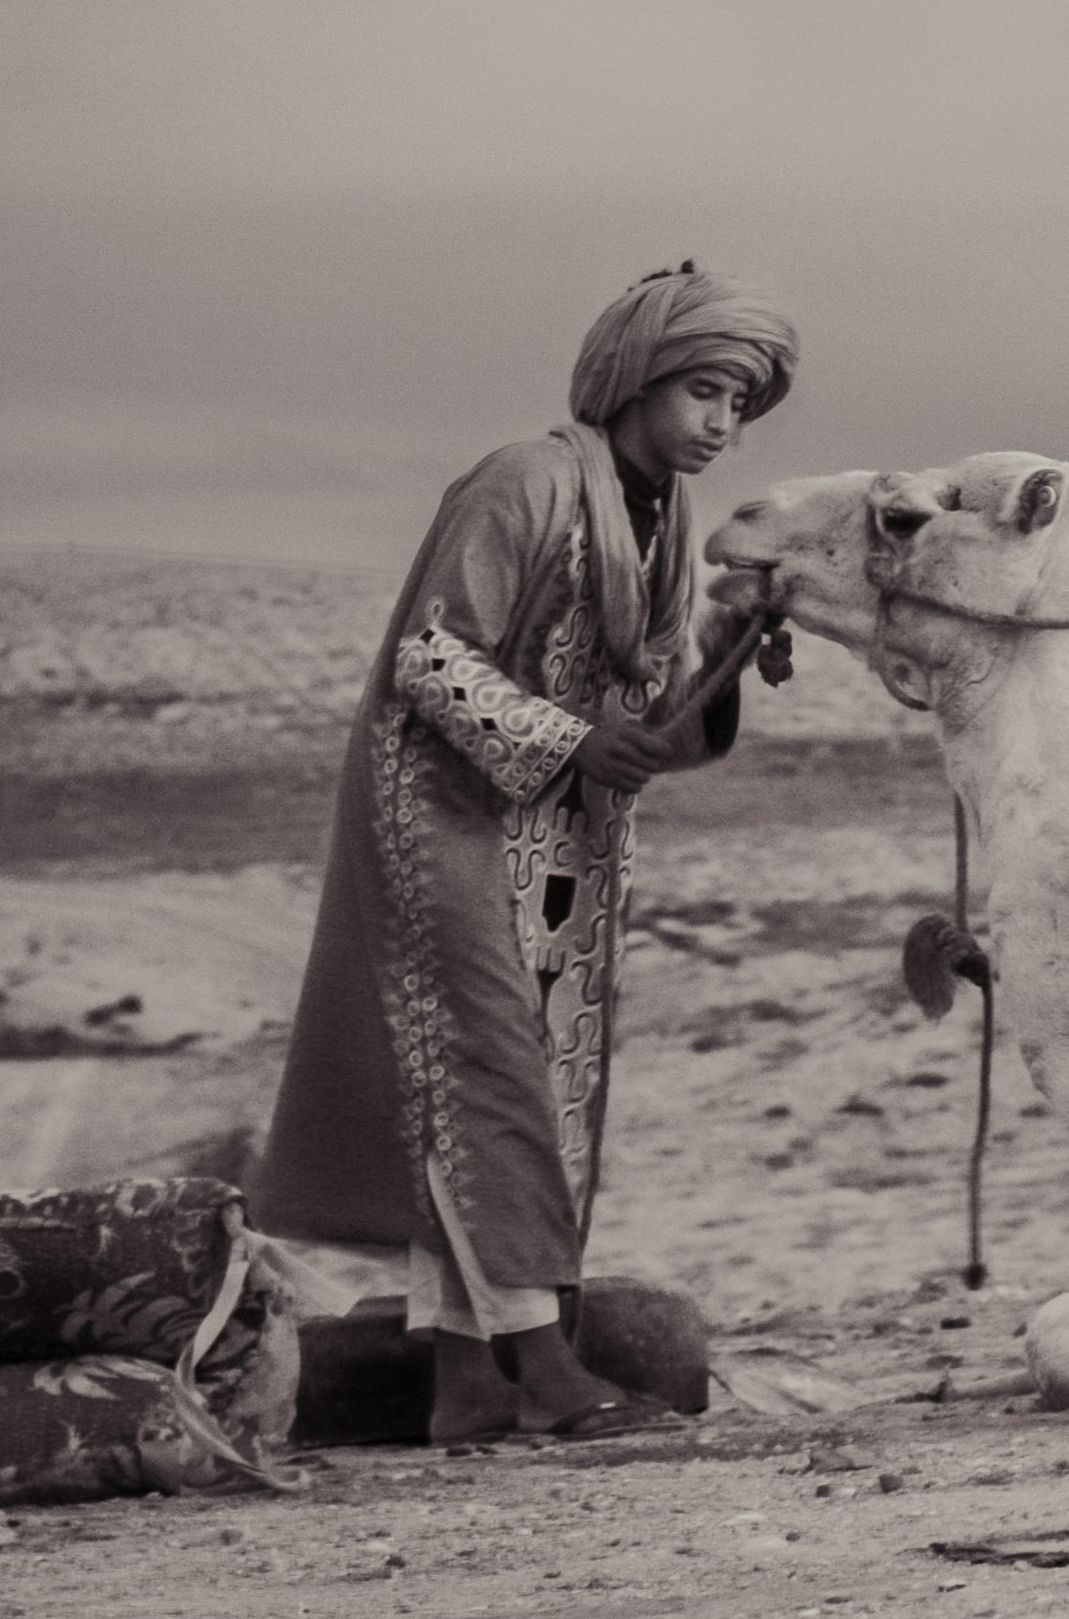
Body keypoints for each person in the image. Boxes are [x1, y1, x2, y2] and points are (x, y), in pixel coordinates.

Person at [254, 262, 798, 1441]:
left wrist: (723, 647)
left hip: (561, 841)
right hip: (442, 819)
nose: (723, 424)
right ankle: (549, 1367)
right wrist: (568, 736)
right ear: (636, 375)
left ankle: (462, 1383)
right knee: (497, 1076)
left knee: (531, 1089)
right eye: (705, 389)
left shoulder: (663, 520)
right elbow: (434, 658)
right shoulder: (526, 479)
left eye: (740, 404)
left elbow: (645, 714)